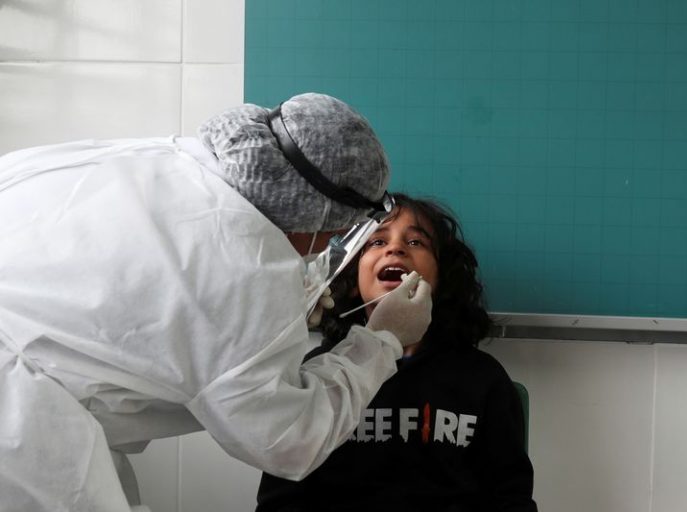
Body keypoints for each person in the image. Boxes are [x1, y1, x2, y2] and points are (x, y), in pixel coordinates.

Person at [0, 93, 432, 512]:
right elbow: (286, 441)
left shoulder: (175, 160)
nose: (323, 247)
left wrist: (277, 314)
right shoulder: (246, 272)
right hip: (19, 425)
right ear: (313, 215)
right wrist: (381, 341)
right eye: (341, 233)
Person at [256, 193, 538, 512]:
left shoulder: (482, 378)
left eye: (417, 242)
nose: (395, 248)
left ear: (442, 277)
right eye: (376, 242)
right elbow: (279, 500)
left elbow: (510, 498)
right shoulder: (320, 371)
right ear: (351, 279)